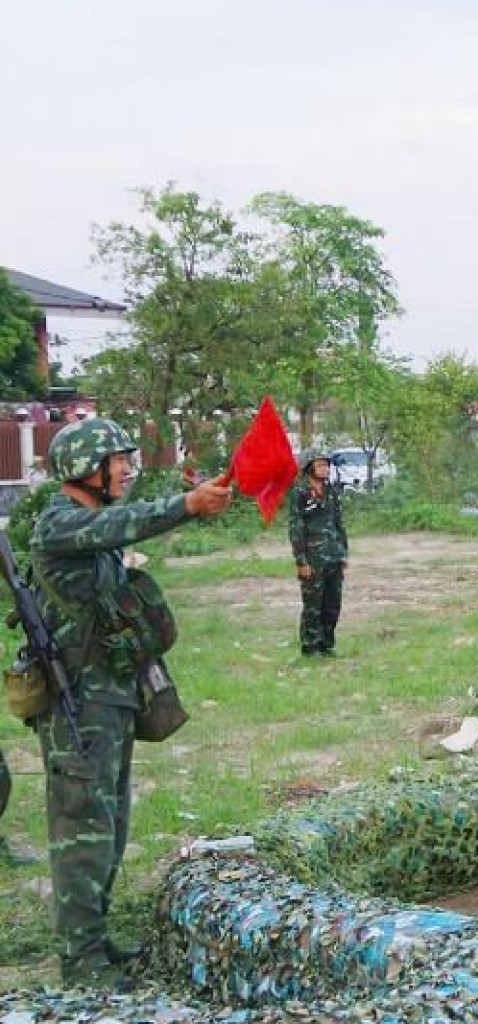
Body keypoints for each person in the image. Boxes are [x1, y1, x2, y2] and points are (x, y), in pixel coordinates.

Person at [30, 418, 233, 987]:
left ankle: (95, 941)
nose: (125, 469)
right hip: (79, 705)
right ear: (83, 469)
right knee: (81, 829)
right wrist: (187, 504)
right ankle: (81, 960)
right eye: (115, 461)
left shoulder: (90, 524)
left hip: (109, 698)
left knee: (111, 823)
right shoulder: (60, 525)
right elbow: (126, 523)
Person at [287, 449, 348, 657]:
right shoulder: (300, 492)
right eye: (320, 465)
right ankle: (310, 646)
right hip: (313, 559)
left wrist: (343, 552)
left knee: (332, 604)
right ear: (309, 468)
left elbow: (339, 523)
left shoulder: (331, 491)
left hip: (334, 556)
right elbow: (296, 528)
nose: (325, 468)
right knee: (313, 605)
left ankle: (327, 644)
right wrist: (301, 560)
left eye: (326, 465)